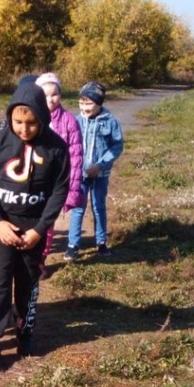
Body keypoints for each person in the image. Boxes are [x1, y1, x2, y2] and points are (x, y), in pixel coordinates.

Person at [0, 83, 70, 373]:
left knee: (28, 281)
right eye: (18, 122)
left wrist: (39, 230)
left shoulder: (57, 148)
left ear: (42, 117)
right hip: (1, 224)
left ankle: (25, 330)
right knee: (0, 281)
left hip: (33, 228)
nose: (24, 129)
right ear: (10, 117)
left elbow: (59, 191)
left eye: (31, 123)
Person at [65, 82, 124, 260]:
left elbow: (116, 146)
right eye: (81, 103)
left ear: (99, 102)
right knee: (78, 208)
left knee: (99, 207)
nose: (84, 107)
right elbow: (69, 146)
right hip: (80, 175)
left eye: (89, 103)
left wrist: (100, 165)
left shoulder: (110, 121)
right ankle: (73, 245)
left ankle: (101, 242)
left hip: (100, 174)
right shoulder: (75, 121)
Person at [34, 73, 83, 276]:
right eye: (45, 95)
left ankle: (40, 259)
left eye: (54, 94)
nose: (50, 99)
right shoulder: (31, 118)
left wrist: (72, 191)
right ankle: (25, 257)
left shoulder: (69, 121)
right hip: (33, 180)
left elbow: (76, 157)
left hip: (55, 183)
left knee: (47, 223)